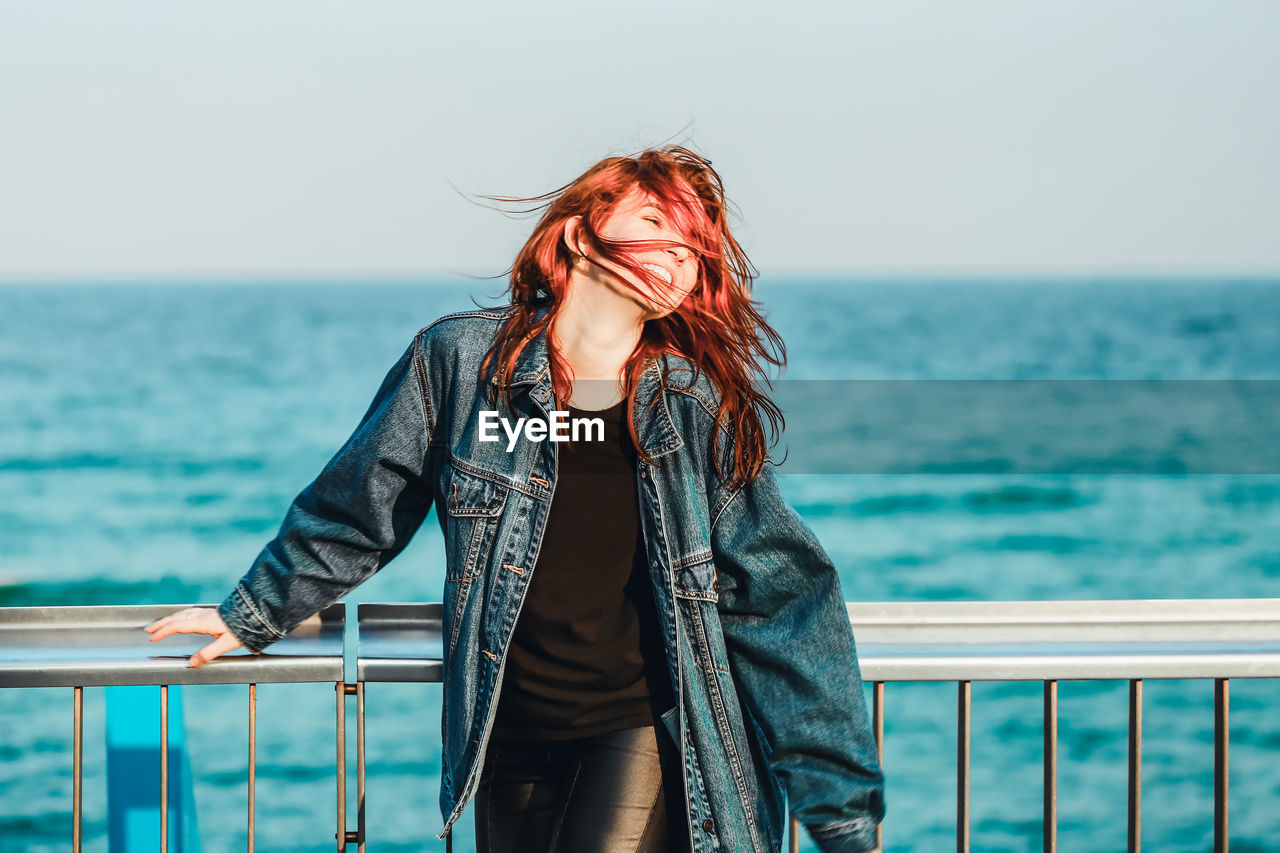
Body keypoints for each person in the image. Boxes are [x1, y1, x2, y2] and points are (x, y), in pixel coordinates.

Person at [145, 145, 885, 852]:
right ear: (580, 235)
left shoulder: (692, 406)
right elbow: (363, 504)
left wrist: (842, 809)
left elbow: (783, 595)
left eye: (693, 247)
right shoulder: (462, 362)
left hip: (642, 728)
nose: (675, 253)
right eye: (656, 223)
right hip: (504, 733)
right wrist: (255, 610)